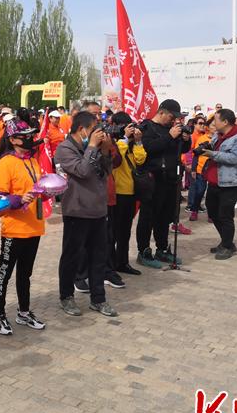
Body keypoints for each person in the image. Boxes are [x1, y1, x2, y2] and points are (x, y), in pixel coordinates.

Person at [55, 111, 118, 318]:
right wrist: (91, 146)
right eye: (93, 129)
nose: (98, 133)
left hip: (98, 210)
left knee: (98, 257)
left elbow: (106, 172)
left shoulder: (96, 147)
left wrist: (105, 151)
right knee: (71, 257)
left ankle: (98, 299)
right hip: (77, 210)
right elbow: (82, 171)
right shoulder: (65, 149)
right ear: (82, 129)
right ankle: (66, 296)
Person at [0, 117, 46, 335]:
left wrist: (48, 191)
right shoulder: (5, 163)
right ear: (13, 139)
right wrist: (19, 199)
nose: (30, 139)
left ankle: (24, 312)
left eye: (31, 135)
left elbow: (37, 188)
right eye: (25, 136)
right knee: (4, 273)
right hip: (14, 229)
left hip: (34, 226)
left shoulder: (33, 161)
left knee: (25, 274)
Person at [135, 99, 191, 269]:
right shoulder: (146, 127)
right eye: (171, 116)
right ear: (161, 112)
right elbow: (148, 148)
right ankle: (144, 251)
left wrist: (185, 139)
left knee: (164, 217)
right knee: (148, 217)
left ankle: (162, 248)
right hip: (153, 179)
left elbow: (182, 149)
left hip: (170, 179)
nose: (173, 120)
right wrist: (169, 136)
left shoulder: (170, 129)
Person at [195, 109, 237, 260]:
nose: (213, 123)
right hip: (214, 182)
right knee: (213, 213)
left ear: (225, 122)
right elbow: (213, 149)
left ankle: (227, 246)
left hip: (229, 184)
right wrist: (206, 148)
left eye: (216, 120)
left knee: (225, 216)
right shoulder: (218, 136)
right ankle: (227, 242)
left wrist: (211, 154)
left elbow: (234, 158)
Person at [109, 112, 146, 275]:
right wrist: (123, 138)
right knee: (113, 232)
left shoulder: (131, 143)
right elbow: (116, 159)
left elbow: (140, 159)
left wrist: (137, 142)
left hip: (131, 192)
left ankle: (122, 262)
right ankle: (110, 266)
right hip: (118, 192)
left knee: (125, 231)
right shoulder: (114, 142)